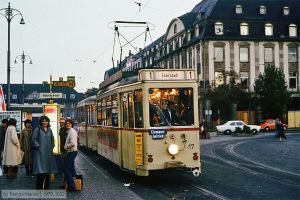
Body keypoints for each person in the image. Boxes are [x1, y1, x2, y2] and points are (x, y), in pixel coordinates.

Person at [32, 116, 57, 189]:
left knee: (47, 170)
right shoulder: (38, 129)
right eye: (43, 121)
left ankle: (46, 186)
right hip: (40, 153)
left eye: (46, 121)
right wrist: (38, 147)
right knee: (40, 170)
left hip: (48, 153)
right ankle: (39, 186)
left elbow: (52, 140)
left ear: (48, 122)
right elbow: (34, 139)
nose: (44, 122)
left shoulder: (50, 130)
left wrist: (51, 147)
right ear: (41, 122)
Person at [64, 119, 78, 192]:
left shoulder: (72, 132)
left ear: (72, 124)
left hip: (72, 152)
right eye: (66, 123)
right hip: (72, 152)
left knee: (67, 169)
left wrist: (66, 147)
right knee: (71, 168)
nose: (68, 124)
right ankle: (74, 183)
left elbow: (73, 143)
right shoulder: (70, 131)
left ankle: (72, 187)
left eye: (69, 123)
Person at [58, 117, 67, 189]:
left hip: (66, 151)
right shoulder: (61, 129)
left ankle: (66, 183)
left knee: (66, 168)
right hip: (62, 150)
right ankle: (65, 183)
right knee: (64, 167)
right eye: (60, 123)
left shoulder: (67, 130)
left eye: (63, 123)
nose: (61, 124)